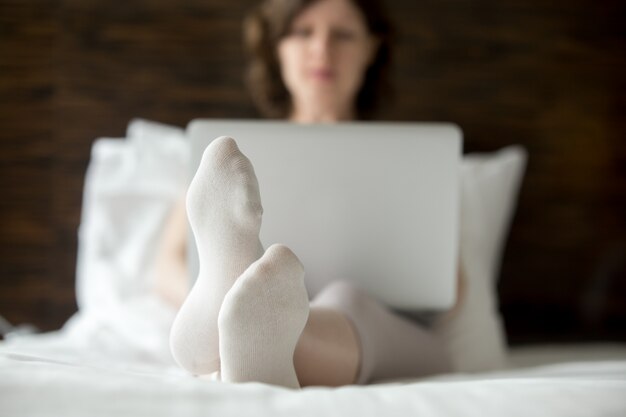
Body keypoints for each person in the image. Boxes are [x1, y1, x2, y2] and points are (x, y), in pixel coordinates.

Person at [159, 0, 460, 388]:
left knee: (346, 298)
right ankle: (245, 312)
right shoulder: (230, 164)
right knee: (283, 298)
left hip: (395, 329)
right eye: (303, 32)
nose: (322, 49)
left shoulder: (418, 161)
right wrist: (190, 285)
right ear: (277, 48)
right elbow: (166, 264)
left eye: (343, 34)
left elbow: (456, 286)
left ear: (371, 47)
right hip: (300, 322)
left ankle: (233, 319)